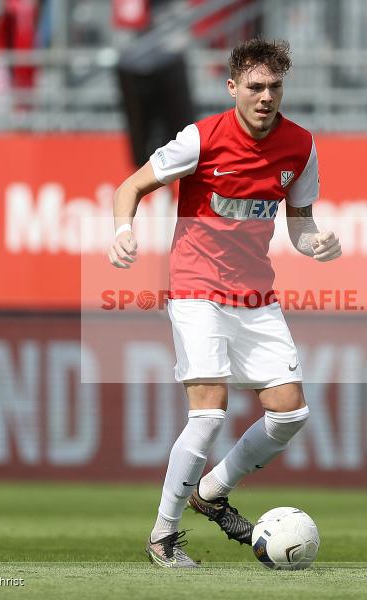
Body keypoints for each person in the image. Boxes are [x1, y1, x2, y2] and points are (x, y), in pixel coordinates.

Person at [108, 38, 341, 568]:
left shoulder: (300, 146)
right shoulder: (201, 139)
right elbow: (131, 186)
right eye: (254, 87)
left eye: (274, 87)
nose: (265, 97)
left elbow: (300, 224)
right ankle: (163, 535)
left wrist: (318, 244)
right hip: (196, 288)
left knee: (290, 414)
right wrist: (123, 230)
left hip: (256, 295)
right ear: (232, 87)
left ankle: (211, 490)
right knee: (209, 412)